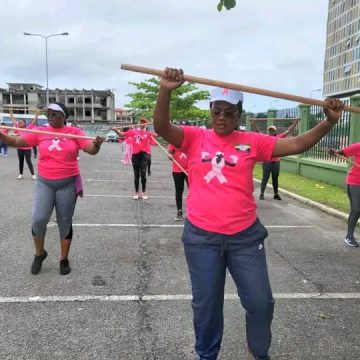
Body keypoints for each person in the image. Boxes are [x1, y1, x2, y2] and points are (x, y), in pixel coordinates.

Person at [153, 67, 343, 360]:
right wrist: (165, 90)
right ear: (210, 111)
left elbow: (296, 144)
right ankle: (207, 354)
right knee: (206, 304)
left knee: (260, 303)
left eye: (229, 112)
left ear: (239, 114)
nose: (222, 117)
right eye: (217, 110)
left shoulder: (253, 141)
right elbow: (162, 127)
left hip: (245, 239)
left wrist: (328, 123)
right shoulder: (194, 137)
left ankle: (258, 352)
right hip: (202, 239)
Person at [0, 102, 105, 275]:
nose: (50, 116)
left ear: (64, 116)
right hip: (45, 182)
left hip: (67, 182)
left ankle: (64, 259)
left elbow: (90, 150)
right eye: (48, 113)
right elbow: (14, 141)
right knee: (39, 219)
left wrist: (97, 144)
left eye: (54, 113)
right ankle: (39, 254)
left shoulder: (75, 132)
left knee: (64, 221)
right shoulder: (41, 132)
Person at [252, 118, 300, 200]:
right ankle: (262, 193)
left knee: (275, 177)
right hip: (266, 161)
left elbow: (288, 131)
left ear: (275, 131)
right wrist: (254, 123)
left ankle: (276, 194)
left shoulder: (279, 137)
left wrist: (295, 122)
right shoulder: (265, 137)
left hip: (276, 162)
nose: (271, 131)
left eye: (272, 130)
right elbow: (258, 131)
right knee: (265, 177)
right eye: (270, 130)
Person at [112, 118, 157, 200]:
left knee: (143, 175)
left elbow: (158, 134)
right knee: (136, 175)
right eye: (141, 122)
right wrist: (115, 130)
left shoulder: (148, 133)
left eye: (144, 123)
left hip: (144, 155)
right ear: (138, 123)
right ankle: (136, 192)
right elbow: (121, 134)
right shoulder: (133, 131)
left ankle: (144, 192)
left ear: (146, 124)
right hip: (135, 156)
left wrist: (160, 125)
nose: (142, 124)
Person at [328, 146, 360, 247]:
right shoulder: (359, 146)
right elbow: (341, 152)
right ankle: (349, 237)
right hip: (355, 182)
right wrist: (333, 152)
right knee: (356, 210)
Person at [9, 108, 37, 180]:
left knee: (28, 161)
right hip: (20, 148)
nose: (19, 123)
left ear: (24, 123)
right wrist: (11, 112)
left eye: (21, 122)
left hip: (27, 148)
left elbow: (33, 122)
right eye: (19, 122)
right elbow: (13, 120)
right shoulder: (18, 128)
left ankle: (33, 174)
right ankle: (21, 174)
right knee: (21, 161)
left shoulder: (28, 128)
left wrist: (37, 114)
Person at [168, 143, 189, 220]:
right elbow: (170, 153)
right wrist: (170, 156)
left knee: (192, 191)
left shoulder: (191, 140)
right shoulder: (174, 141)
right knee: (179, 191)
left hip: (190, 170)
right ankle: (179, 211)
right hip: (177, 170)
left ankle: (190, 212)